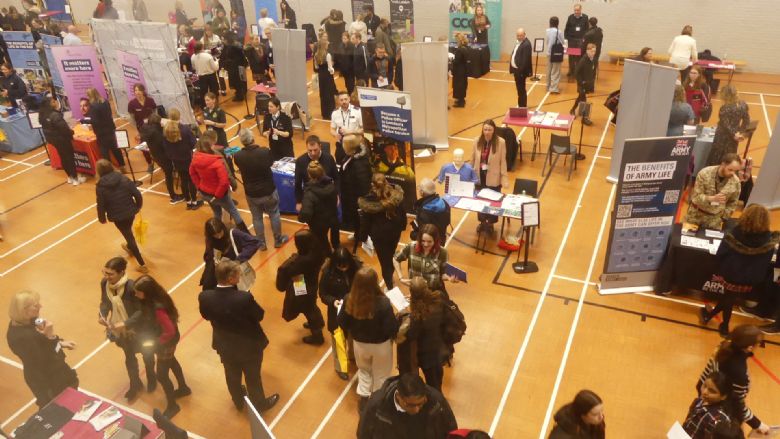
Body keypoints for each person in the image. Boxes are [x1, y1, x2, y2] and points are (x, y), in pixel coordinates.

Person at [199, 260, 280, 412]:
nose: (240, 276)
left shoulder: (205, 296)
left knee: (231, 375)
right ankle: (259, 404)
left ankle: (238, 401)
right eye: (238, 274)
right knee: (252, 377)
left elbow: (205, 315)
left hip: (224, 344)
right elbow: (259, 315)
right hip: (248, 345)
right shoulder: (243, 298)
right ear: (230, 279)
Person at [700, 204, 779, 335]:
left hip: (731, 274)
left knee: (728, 298)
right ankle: (710, 315)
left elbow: (721, 254)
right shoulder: (768, 240)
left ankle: (724, 326)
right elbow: (766, 262)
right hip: (750, 279)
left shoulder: (735, 234)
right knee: (730, 297)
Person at [338, 267, 399, 410]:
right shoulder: (383, 303)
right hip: (381, 346)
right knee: (381, 375)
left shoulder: (349, 299)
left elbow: (342, 322)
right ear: (375, 283)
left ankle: (364, 402)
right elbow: (391, 328)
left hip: (359, 345)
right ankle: (378, 405)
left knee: (364, 371)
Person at [7, 291, 78, 408]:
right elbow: (52, 358)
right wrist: (50, 336)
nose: (40, 306)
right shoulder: (25, 337)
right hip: (48, 379)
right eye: (35, 305)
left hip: (50, 374)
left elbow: (43, 345)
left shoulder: (23, 322)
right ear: (24, 310)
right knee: (58, 408)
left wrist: (60, 343)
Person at [696, 325, 771, 435]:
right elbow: (737, 404)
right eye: (758, 344)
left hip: (705, 404)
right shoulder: (739, 372)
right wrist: (757, 424)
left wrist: (702, 399)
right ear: (750, 348)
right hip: (722, 416)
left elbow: (703, 379)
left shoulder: (722, 347)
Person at [98, 257, 155, 401]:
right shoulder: (105, 283)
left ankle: (151, 378)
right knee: (129, 357)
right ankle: (135, 384)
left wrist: (126, 323)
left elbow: (141, 311)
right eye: (105, 273)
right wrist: (102, 314)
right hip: (121, 331)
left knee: (147, 354)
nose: (107, 277)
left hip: (140, 330)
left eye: (110, 274)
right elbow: (105, 302)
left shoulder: (132, 287)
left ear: (122, 272)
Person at [133, 276, 189, 418]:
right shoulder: (157, 299)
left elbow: (169, 331)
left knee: (162, 375)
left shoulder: (157, 308)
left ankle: (172, 405)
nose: (135, 294)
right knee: (172, 362)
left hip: (166, 342)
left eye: (138, 292)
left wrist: (157, 342)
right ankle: (183, 388)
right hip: (167, 340)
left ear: (147, 293)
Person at [234, 129, 289, 250]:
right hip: (268, 191)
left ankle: (261, 243)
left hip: (251, 193)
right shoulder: (264, 152)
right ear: (253, 138)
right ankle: (278, 240)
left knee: (257, 217)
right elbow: (271, 162)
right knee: (274, 213)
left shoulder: (238, 156)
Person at [358, 373, 457, 439]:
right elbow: (363, 434)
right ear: (398, 396)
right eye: (411, 405)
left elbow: (451, 429)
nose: (417, 409)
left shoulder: (436, 402)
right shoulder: (377, 406)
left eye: (421, 403)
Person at [95, 159, 148, 273]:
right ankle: (129, 247)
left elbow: (101, 204)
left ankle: (142, 264)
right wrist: (138, 206)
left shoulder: (100, 186)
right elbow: (137, 194)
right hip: (130, 212)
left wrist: (102, 218)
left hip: (117, 216)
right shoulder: (123, 178)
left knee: (129, 236)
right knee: (128, 231)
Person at [276, 229, 327, 345]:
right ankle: (319, 322)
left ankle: (317, 335)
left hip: (301, 283)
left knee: (308, 308)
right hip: (311, 282)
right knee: (311, 305)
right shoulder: (317, 252)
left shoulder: (299, 262)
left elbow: (285, 274)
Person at [318, 247, 362, 379]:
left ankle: (353, 357)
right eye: (340, 266)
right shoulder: (327, 273)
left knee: (354, 337)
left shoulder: (358, 268)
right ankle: (340, 367)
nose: (343, 269)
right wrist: (333, 302)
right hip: (336, 313)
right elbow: (323, 294)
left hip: (354, 311)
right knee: (338, 341)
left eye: (345, 266)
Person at [398, 278, 448, 392]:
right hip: (437, 349)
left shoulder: (417, 316)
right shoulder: (439, 299)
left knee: (430, 384)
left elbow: (411, 335)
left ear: (412, 294)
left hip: (424, 355)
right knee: (436, 384)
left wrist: (406, 315)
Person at [190, 138, 249, 232]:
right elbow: (224, 181)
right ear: (210, 147)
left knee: (217, 212)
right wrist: (217, 195)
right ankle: (246, 234)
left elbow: (192, 173)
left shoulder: (195, 159)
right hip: (219, 194)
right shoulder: (216, 161)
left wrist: (199, 187)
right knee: (233, 211)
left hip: (205, 192)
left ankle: (217, 232)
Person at [358, 173, 406, 287]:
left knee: (385, 262)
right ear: (386, 182)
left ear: (372, 184)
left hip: (380, 237)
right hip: (395, 233)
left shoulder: (368, 202)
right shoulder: (396, 195)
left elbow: (365, 223)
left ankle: (389, 285)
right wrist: (402, 227)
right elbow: (403, 214)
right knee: (390, 256)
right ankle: (390, 277)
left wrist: (363, 237)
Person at [200, 217, 261, 291]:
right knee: (209, 288)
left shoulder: (234, 233)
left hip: (234, 268)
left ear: (223, 228)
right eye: (215, 235)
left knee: (240, 292)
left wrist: (239, 259)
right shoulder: (210, 238)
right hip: (218, 270)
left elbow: (254, 243)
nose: (218, 236)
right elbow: (209, 254)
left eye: (220, 233)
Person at [685, 153, 742, 230]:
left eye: (735, 171)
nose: (732, 173)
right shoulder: (704, 173)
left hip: (715, 221)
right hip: (695, 216)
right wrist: (710, 199)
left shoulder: (736, 182)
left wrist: (723, 217)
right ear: (723, 164)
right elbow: (696, 197)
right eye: (730, 169)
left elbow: (733, 203)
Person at [394, 223, 454, 293]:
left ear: (435, 240)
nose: (426, 244)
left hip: (434, 291)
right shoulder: (411, 247)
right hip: (416, 290)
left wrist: (449, 278)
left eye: (429, 242)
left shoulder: (443, 252)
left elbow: (442, 274)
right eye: (423, 241)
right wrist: (401, 278)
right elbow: (395, 259)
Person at [299, 162, 341, 253]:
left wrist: (301, 218)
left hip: (318, 224)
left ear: (309, 175)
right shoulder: (331, 185)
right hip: (332, 218)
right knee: (335, 240)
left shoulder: (309, 193)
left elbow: (306, 213)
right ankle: (337, 252)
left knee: (322, 243)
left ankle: (328, 257)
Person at [39, 95, 81, 185]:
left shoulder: (43, 115)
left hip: (54, 140)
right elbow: (64, 129)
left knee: (63, 157)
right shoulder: (55, 115)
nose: (56, 102)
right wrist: (72, 133)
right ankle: (76, 179)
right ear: (50, 104)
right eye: (53, 101)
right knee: (69, 158)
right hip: (62, 140)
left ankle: (70, 176)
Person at [163, 108, 200, 209]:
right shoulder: (185, 129)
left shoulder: (166, 130)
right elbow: (193, 144)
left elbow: (165, 146)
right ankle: (195, 202)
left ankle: (188, 202)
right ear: (179, 117)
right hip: (187, 159)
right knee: (191, 180)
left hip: (176, 160)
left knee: (183, 180)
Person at [706, 85, 750, 167]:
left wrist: (734, 134)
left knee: (717, 156)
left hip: (722, 136)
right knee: (730, 156)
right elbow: (746, 121)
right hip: (734, 136)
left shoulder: (725, 108)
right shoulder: (743, 104)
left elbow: (725, 124)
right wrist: (740, 133)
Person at [140, 113, 180, 203]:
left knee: (168, 173)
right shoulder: (157, 132)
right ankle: (173, 196)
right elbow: (165, 145)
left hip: (156, 156)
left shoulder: (146, 129)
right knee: (168, 174)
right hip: (164, 157)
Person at [682, 371, 733, 439]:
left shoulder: (717, 420)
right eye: (704, 385)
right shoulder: (699, 401)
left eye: (712, 391)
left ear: (723, 396)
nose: (705, 392)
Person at [339, 134, 372, 234]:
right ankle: (357, 233)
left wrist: (359, 201)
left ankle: (361, 236)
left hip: (356, 198)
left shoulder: (359, 163)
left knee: (359, 219)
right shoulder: (351, 156)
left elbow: (363, 185)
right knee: (354, 218)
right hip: (350, 195)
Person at [85, 88, 126, 168]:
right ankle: (122, 165)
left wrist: (85, 121)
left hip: (101, 133)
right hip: (111, 129)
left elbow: (95, 121)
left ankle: (109, 169)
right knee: (116, 149)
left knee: (105, 153)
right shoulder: (106, 102)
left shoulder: (93, 106)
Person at [295, 135, 338, 209]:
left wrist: (337, 194)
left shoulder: (329, 158)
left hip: (327, 197)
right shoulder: (300, 161)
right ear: (306, 148)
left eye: (315, 150)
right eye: (310, 150)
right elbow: (297, 183)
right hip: (310, 199)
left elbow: (336, 178)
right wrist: (299, 201)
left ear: (320, 146)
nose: (313, 153)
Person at [471, 119, 508, 191]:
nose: (487, 132)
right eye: (485, 129)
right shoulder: (476, 140)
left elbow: (503, 162)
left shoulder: (501, 142)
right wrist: (469, 173)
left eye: (489, 130)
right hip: (479, 177)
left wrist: (504, 178)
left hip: (493, 178)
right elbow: (473, 159)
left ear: (494, 130)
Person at [127, 84, 157, 172]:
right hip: (141, 129)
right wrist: (136, 130)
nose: (137, 92)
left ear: (143, 91)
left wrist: (155, 122)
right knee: (144, 147)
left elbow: (155, 112)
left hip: (152, 127)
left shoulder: (150, 100)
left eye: (138, 90)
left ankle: (158, 159)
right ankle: (150, 164)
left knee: (155, 145)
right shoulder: (132, 104)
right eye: (135, 90)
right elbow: (132, 118)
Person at [412, 179, 450, 243]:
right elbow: (447, 221)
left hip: (427, 244)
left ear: (422, 192)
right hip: (441, 239)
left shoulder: (424, 211)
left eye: (420, 189)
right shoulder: (444, 203)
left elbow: (423, 231)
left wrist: (414, 235)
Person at [570, 43, 597, 125]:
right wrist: (581, 82)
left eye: (594, 51)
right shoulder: (583, 60)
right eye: (592, 51)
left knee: (580, 98)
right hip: (582, 84)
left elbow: (592, 71)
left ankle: (572, 110)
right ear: (587, 51)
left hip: (588, 84)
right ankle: (584, 118)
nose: (593, 53)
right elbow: (576, 72)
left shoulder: (592, 60)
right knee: (584, 99)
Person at [314, 37, 338, 118]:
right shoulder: (327, 55)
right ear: (324, 45)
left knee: (323, 94)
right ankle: (331, 112)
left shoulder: (316, 55)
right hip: (328, 76)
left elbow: (316, 67)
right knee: (329, 93)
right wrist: (333, 69)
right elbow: (330, 69)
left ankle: (324, 113)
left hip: (321, 76)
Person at [220, 32, 247, 102]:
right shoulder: (236, 45)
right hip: (239, 66)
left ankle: (239, 95)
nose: (223, 41)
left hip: (235, 67)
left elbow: (231, 57)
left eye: (224, 39)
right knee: (241, 80)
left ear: (227, 39)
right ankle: (242, 92)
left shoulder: (232, 47)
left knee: (237, 81)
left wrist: (226, 62)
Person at [509, 28, 532, 108]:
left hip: (520, 73)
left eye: (521, 35)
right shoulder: (519, 43)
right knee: (519, 90)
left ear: (524, 35)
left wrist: (520, 72)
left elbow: (525, 61)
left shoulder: (526, 44)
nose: (519, 37)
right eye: (518, 35)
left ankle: (522, 107)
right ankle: (520, 105)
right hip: (517, 71)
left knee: (521, 90)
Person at [564, 3, 588, 78]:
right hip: (572, 41)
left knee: (578, 58)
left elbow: (587, 29)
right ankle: (571, 72)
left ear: (581, 10)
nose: (576, 12)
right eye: (575, 10)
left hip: (580, 41)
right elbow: (567, 28)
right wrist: (567, 38)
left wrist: (584, 39)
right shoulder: (570, 17)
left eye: (578, 10)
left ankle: (577, 73)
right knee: (571, 58)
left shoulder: (585, 17)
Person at [546, 16, 565, 94]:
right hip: (556, 53)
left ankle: (548, 86)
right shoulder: (559, 31)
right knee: (556, 71)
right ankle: (553, 88)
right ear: (557, 23)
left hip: (549, 52)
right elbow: (562, 42)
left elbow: (547, 41)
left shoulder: (547, 30)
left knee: (549, 70)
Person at [451, 33, 469, 108]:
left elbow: (457, 61)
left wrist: (452, 61)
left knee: (459, 86)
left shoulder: (460, 50)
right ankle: (461, 100)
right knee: (463, 85)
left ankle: (460, 102)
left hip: (459, 71)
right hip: (464, 70)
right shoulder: (465, 48)